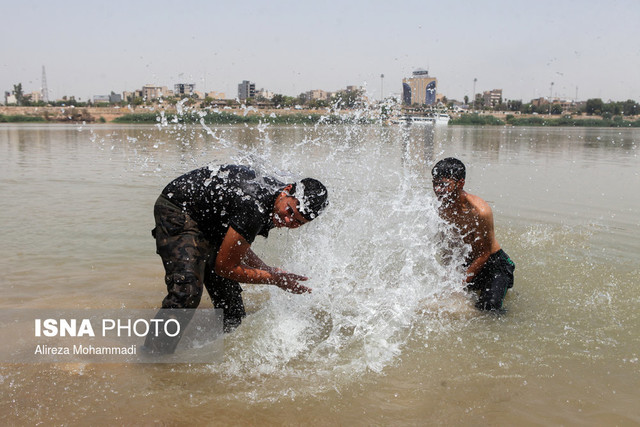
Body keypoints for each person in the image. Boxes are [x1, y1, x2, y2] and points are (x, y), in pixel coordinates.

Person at [144, 164, 328, 354]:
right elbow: (225, 267)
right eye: (290, 212)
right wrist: (274, 279)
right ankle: (153, 358)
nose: (288, 221)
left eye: (298, 222)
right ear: (287, 190)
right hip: (179, 208)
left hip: (213, 220)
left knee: (231, 307)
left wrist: (267, 269)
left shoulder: (277, 204)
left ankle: (224, 353)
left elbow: (236, 242)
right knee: (187, 292)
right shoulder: (254, 204)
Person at [431, 158, 515, 312]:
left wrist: (459, 284)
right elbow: (447, 246)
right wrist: (447, 277)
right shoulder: (441, 208)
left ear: (460, 183)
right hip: (467, 261)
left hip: (494, 264)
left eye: (444, 184)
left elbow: (484, 253)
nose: (438, 189)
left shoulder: (479, 210)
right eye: (435, 183)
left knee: (489, 310)